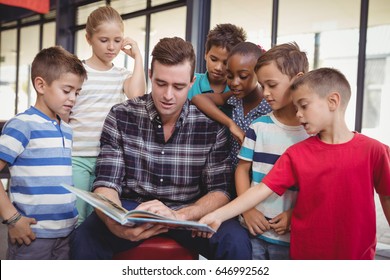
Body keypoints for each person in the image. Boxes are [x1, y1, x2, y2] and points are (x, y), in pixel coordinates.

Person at [70, 37, 252, 260]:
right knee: (84, 238)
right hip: (131, 207)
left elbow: (220, 191)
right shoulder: (121, 115)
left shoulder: (211, 126)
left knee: (235, 241)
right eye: (161, 83)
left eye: (178, 86)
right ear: (150, 76)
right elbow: (107, 183)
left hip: (188, 210)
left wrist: (180, 215)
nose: (168, 96)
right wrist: (113, 222)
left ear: (192, 82)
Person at [197, 67, 390, 260]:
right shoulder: (297, 154)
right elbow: (260, 190)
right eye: (296, 107)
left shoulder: (374, 151)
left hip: (358, 258)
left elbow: (387, 197)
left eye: (304, 106)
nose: (298, 114)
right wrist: (218, 215)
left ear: (333, 101)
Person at [0, 46, 87, 259]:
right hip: (32, 236)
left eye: (77, 92)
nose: (73, 98)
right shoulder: (22, 125)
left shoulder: (67, 129)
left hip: (66, 234)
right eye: (67, 91)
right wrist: (12, 219)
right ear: (41, 85)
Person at [67, 6, 146, 225]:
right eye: (104, 40)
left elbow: (137, 95)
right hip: (77, 158)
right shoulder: (77, 72)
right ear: (89, 38)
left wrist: (137, 56)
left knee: (99, 221)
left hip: (109, 160)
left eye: (117, 40)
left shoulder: (121, 75)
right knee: (76, 218)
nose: (111, 47)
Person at [234, 42, 309, 259]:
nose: (265, 93)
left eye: (272, 85)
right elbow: (242, 170)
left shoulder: (311, 132)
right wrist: (246, 210)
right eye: (262, 85)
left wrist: (295, 215)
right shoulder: (258, 127)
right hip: (254, 231)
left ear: (298, 79)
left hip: (291, 237)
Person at [192, 41, 271, 170]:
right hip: (232, 175)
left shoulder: (269, 103)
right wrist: (231, 124)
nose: (234, 82)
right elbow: (198, 99)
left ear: (259, 73)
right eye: (230, 75)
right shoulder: (233, 98)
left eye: (243, 76)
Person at [187, 23, 246, 116]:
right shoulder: (189, 84)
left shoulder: (239, 91)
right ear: (206, 54)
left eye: (225, 63)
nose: (218, 68)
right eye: (214, 59)